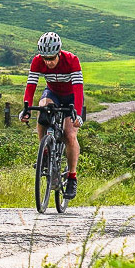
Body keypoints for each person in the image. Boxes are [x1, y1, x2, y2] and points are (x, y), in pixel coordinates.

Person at [18, 31, 84, 199]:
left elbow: (78, 89)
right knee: (42, 109)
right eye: (45, 59)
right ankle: (45, 151)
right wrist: (26, 109)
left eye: (52, 58)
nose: (48, 62)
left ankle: (72, 177)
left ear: (59, 53)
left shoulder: (72, 60)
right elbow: (31, 85)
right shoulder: (37, 61)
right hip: (52, 93)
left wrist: (77, 114)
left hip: (70, 97)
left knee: (69, 135)